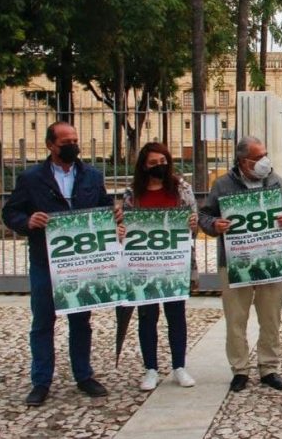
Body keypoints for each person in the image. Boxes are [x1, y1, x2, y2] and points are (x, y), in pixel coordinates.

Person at [2, 121, 119, 406]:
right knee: (43, 322)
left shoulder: (91, 175)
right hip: (46, 261)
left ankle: (84, 375)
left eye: (75, 141)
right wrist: (27, 221)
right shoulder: (31, 178)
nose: (73, 146)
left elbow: (103, 206)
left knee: (81, 320)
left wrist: (113, 214)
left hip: (81, 263)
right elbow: (10, 212)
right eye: (66, 142)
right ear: (50, 145)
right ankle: (41, 381)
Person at [198, 136, 282, 392]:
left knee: (271, 318)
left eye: (265, 154)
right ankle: (239, 370)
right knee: (236, 320)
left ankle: (269, 368)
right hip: (235, 264)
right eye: (258, 156)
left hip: (271, 261)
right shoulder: (222, 185)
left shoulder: (275, 181)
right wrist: (214, 225)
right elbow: (205, 215)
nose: (265, 160)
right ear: (243, 161)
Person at [122, 142, 199, 391]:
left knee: (176, 315)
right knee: (147, 316)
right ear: (144, 166)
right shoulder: (133, 193)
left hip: (174, 263)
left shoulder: (181, 188)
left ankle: (179, 366)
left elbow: (194, 223)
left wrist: (192, 223)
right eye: (153, 163)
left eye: (163, 161)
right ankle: (151, 369)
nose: (159, 166)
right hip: (144, 264)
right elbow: (124, 225)